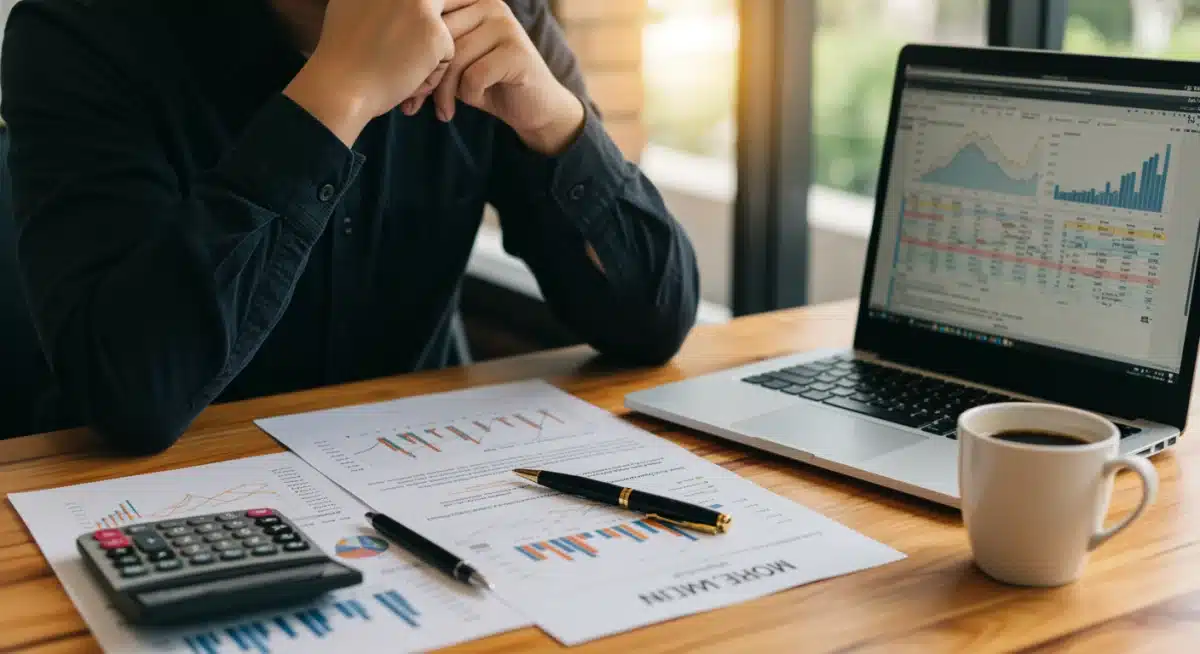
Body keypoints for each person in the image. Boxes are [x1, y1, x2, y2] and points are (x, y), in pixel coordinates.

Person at [0, 0, 699, 453]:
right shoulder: (80, 30)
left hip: (419, 478)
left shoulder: (498, 16)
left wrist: (554, 120)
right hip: (135, 504)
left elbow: (654, 319)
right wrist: (340, 93)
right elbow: (133, 399)